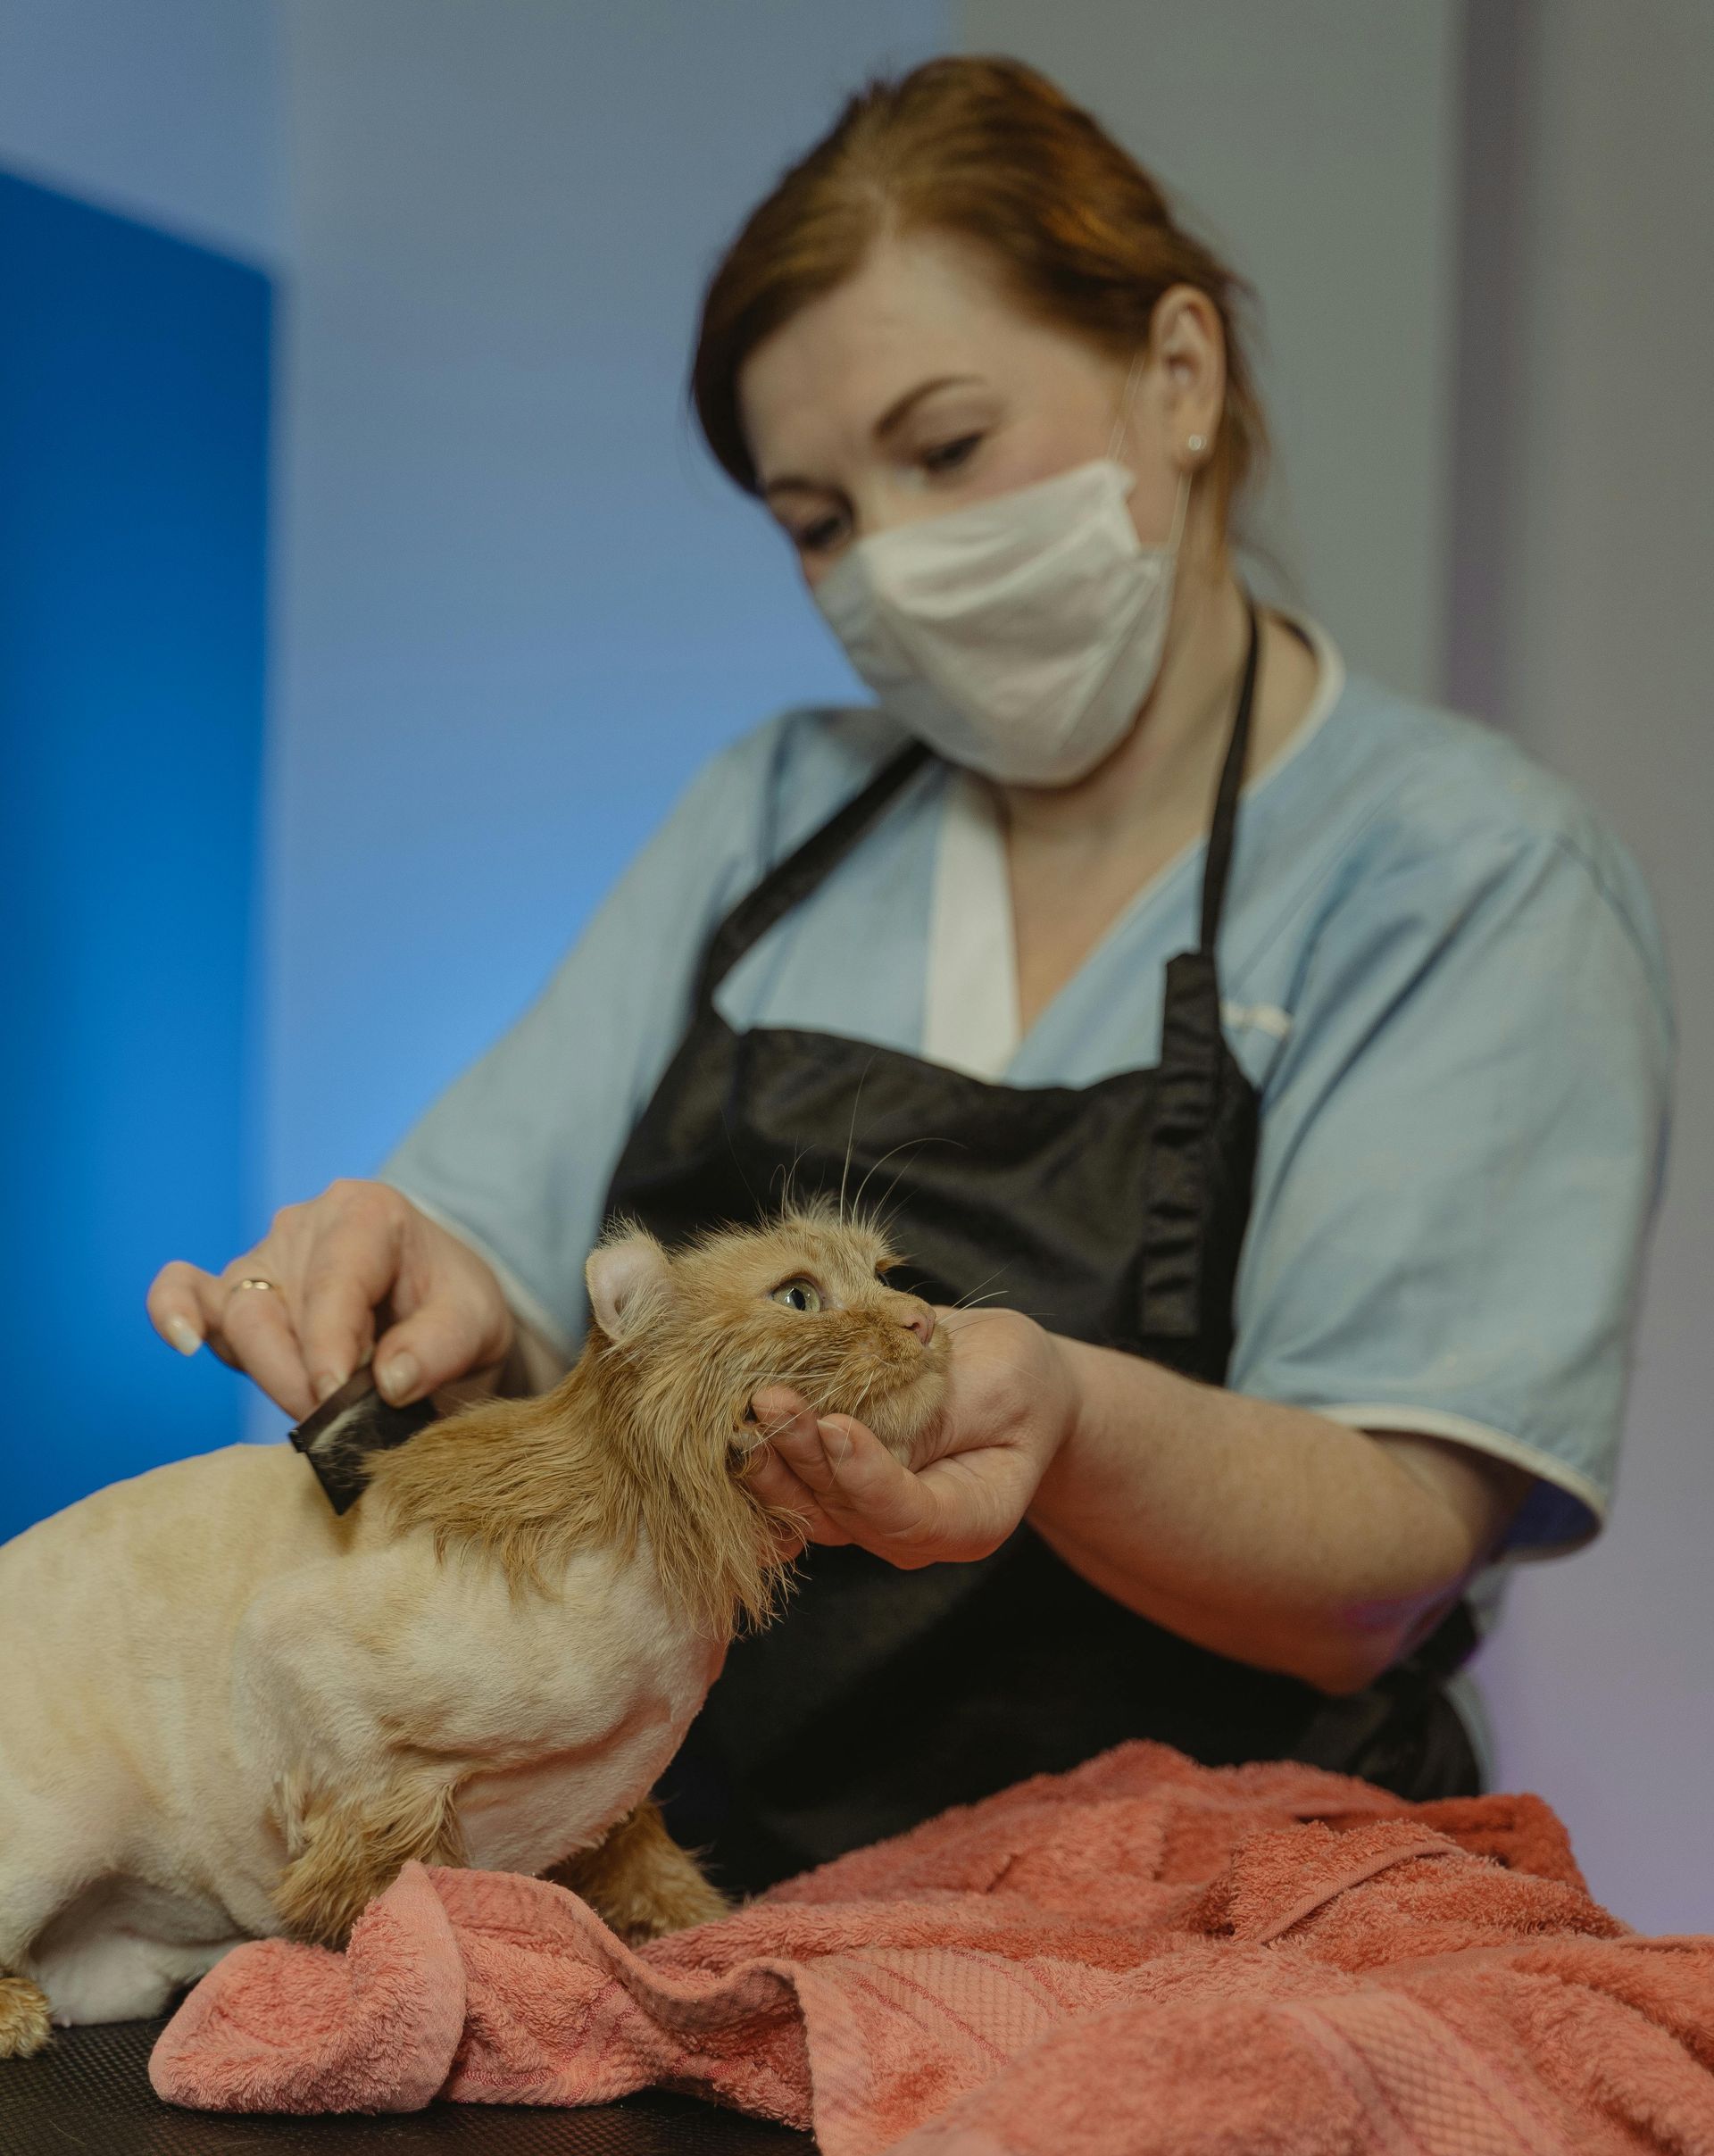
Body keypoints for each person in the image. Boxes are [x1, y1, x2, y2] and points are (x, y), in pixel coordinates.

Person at [149, 59, 1670, 1891]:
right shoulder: (772, 815)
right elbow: (507, 1265)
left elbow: (1381, 1562)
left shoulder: (1462, 873)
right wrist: (416, 1274)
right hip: (691, 1893)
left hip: (1205, 1915)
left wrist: (1070, 1414)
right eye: (818, 521)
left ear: (1177, 376)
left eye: (945, 452)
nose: (893, 567)